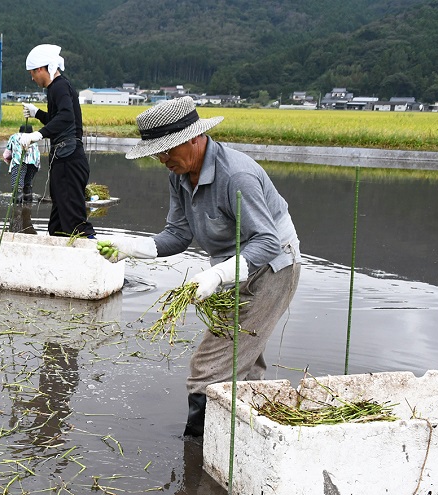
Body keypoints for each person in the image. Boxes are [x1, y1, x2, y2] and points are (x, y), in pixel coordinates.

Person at [117, 96, 301, 438]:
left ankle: (198, 448)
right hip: (235, 268)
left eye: (168, 149)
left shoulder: (236, 177)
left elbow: (267, 241)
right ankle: (249, 438)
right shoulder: (180, 174)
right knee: (245, 359)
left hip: (273, 269)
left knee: (208, 366)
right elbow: (178, 234)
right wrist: (132, 249)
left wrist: (217, 274)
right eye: (157, 152)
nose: (162, 159)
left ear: (193, 138)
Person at [19, 44, 95, 239]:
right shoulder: (57, 87)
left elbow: (66, 117)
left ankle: (93, 257)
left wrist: (38, 135)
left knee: (73, 219)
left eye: (32, 73)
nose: (32, 78)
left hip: (68, 160)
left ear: (41, 69)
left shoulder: (59, 86)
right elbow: (58, 120)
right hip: (64, 159)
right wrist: (38, 113)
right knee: (58, 223)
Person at [2, 123, 41, 203]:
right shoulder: (34, 137)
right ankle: (28, 204)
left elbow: (6, 155)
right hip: (33, 164)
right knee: (27, 183)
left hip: (19, 162)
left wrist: (9, 161)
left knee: (17, 185)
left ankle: (17, 209)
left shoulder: (14, 137)